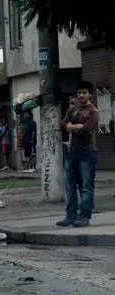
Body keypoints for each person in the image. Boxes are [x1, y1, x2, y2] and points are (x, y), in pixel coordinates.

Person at [56, 80, 99, 228]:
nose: (81, 95)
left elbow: (87, 129)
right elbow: (62, 124)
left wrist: (71, 127)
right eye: (79, 93)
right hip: (72, 153)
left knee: (86, 187)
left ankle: (84, 217)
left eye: (84, 93)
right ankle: (70, 216)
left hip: (87, 153)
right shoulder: (73, 109)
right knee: (69, 186)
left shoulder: (93, 111)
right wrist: (75, 126)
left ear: (90, 94)